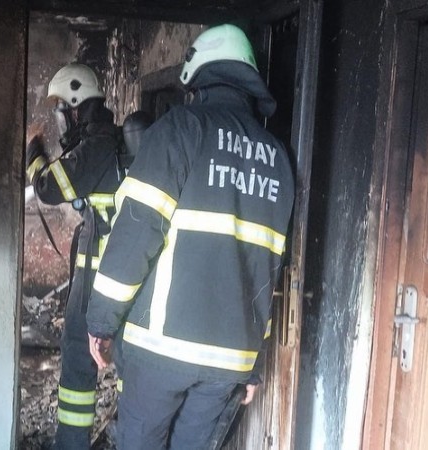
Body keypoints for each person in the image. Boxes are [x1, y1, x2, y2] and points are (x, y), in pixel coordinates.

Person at [85, 24, 295, 449]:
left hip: (161, 348)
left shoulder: (181, 128)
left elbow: (136, 232)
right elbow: (269, 269)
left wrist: (101, 321)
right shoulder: (278, 158)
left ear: (198, 78)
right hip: (229, 360)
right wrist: (253, 364)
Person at [25, 62, 124, 449]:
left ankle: (71, 443)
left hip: (98, 276)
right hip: (112, 272)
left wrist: (33, 151)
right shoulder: (105, 141)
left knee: (79, 357)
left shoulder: (97, 145)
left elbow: (49, 187)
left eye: (62, 112)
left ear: (77, 106)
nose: (60, 121)